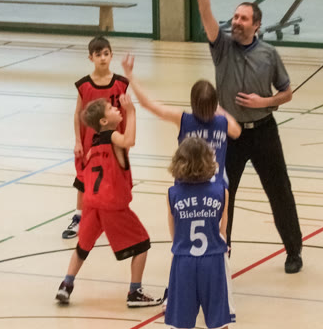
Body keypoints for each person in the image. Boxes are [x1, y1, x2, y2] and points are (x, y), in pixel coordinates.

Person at [189, 0, 304, 274]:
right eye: (235, 17)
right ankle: (221, 252)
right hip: (229, 134)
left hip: (263, 130)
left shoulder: (269, 54)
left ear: (256, 25)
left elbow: (287, 93)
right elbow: (205, 11)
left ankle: (294, 251)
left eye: (243, 19)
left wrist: (263, 102)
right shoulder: (221, 47)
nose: (236, 22)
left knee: (279, 191)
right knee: (223, 194)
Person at [157, 137, 249, 329]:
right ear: (209, 161)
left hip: (183, 263)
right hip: (213, 263)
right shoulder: (222, 191)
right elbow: (223, 232)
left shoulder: (172, 194)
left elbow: (174, 234)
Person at [55, 94, 161, 308]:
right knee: (142, 244)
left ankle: (66, 284)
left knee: (82, 247)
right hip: (112, 205)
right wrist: (132, 112)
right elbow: (129, 141)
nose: (116, 108)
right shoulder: (113, 138)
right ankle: (135, 292)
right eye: (111, 109)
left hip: (91, 204)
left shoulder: (93, 146)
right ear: (104, 121)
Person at [120, 52, 241, 186]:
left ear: (192, 102)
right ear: (214, 103)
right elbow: (237, 131)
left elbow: (147, 104)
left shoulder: (183, 119)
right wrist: (220, 110)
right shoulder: (223, 122)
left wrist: (130, 75)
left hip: (186, 186)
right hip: (214, 187)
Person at [62, 36, 130, 240]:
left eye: (106, 54)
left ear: (111, 55)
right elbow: (78, 114)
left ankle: (114, 219)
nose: (103, 58)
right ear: (90, 58)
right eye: (98, 54)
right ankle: (79, 217)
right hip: (89, 143)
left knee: (114, 181)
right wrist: (77, 141)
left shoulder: (121, 84)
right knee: (84, 181)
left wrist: (126, 139)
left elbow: (126, 113)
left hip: (114, 142)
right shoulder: (84, 85)